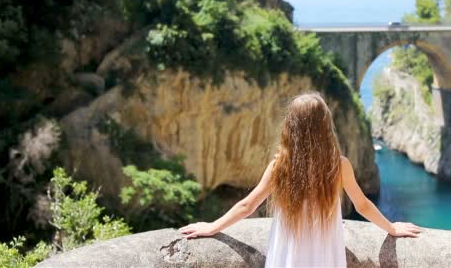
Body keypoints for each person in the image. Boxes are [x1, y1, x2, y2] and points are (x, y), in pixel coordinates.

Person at [180, 92, 421, 267]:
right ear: (326, 126)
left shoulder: (280, 166)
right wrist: (391, 228)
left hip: (288, 257)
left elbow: (248, 205)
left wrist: (212, 226)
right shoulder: (339, 165)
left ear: (290, 127)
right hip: (325, 256)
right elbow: (362, 205)